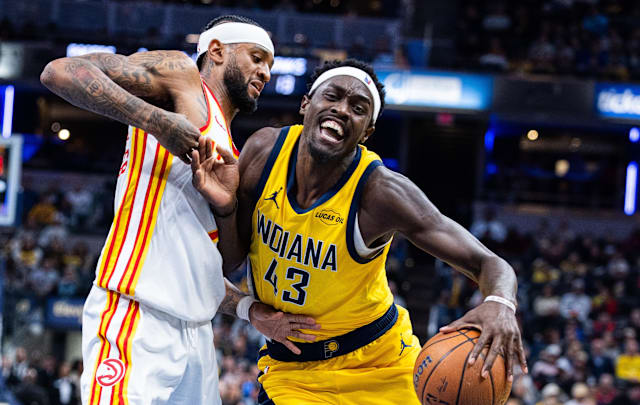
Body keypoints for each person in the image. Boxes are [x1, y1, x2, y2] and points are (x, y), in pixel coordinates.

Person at [191, 58, 527, 404]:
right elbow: (231, 260)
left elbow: (488, 263)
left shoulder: (382, 192)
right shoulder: (264, 152)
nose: (342, 110)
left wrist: (501, 303)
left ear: (366, 132)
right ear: (306, 104)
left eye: (358, 107)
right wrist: (227, 209)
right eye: (332, 97)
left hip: (381, 364)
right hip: (296, 371)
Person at [40, 14, 276, 404]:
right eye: (256, 57)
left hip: (197, 334)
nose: (265, 72)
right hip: (135, 315)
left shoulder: (231, 153)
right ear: (216, 51)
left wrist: (229, 208)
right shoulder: (181, 78)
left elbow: (212, 266)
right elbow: (60, 72)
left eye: (269, 64)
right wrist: (156, 121)